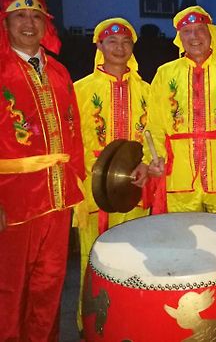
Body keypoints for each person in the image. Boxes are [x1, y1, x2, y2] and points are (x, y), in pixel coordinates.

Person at [0, 0, 85, 341]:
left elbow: (75, 130)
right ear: (5, 24)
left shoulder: (60, 72)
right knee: (9, 289)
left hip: (58, 197)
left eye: (36, 16)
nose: (29, 23)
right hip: (14, 200)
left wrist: (78, 184)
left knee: (49, 285)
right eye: (20, 16)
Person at [74, 17, 151, 332]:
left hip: (135, 182)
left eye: (126, 42)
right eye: (112, 41)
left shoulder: (148, 90)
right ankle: (89, 322)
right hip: (93, 185)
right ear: (99, 46)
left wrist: (146, 165)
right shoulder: (80, 89)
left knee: (134, 254)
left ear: (132, 48)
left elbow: (155, 137)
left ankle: (129, 317)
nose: (119, 48)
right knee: (92, 255)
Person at [147, 5, 216, 217]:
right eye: (187, 32)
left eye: (200, 29)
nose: (194, 36)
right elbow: (154, 124)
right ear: (179, 38)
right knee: (183, 239)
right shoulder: (165, 73)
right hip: (180, 173)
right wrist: (154, 156)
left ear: (211, 34)